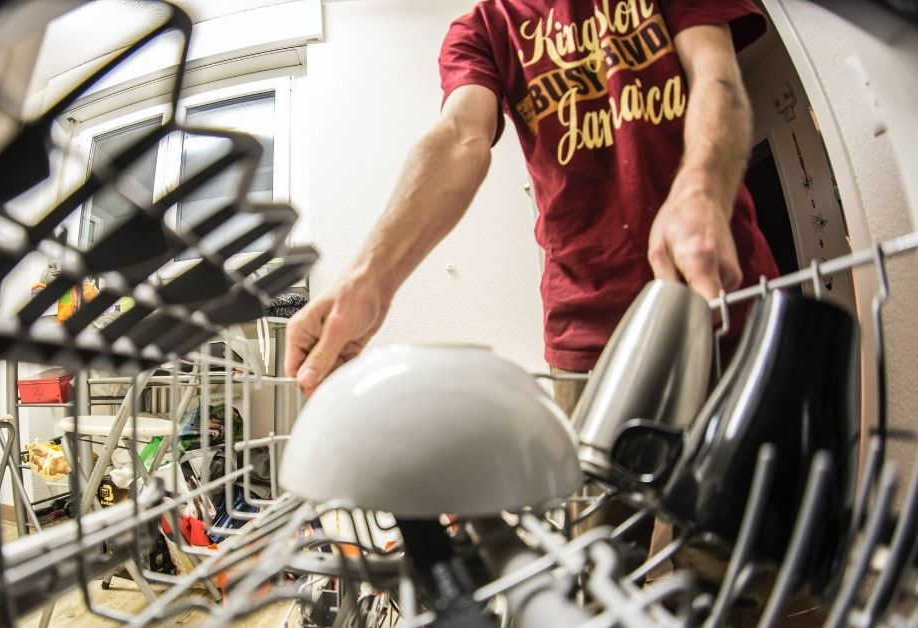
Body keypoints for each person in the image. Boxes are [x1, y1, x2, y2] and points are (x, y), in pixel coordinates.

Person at [284, 0, 779, 403]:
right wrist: (370, 279)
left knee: (744, 516)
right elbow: (460, 138)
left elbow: (717, 76)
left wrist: (699, 189)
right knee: (596, 524)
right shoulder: (483, 29)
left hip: (722, 291)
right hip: (585, 331)